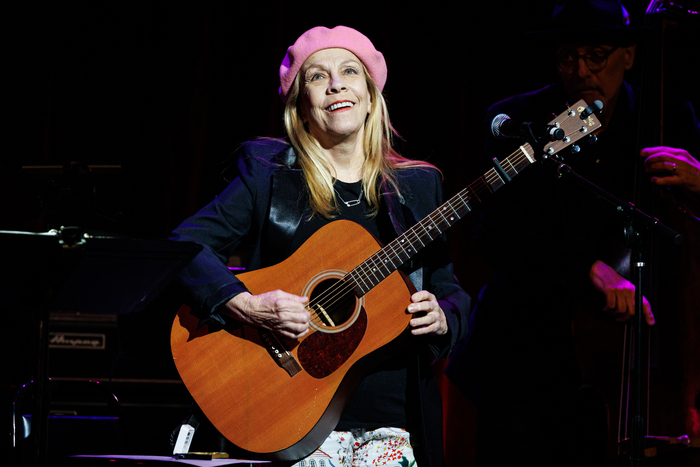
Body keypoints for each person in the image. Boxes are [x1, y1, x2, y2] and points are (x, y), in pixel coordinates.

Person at [169, 25, 470, 467]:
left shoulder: (417, 187)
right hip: (287, 415)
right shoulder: (267, 173)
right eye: (317, 76)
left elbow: (451, 288)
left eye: (350, 71)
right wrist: (247, 306)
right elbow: (186, 245)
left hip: (393, 422)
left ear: (370, 97)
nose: (336, 85)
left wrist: (445, 316)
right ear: (301, 106)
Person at [446, 0, 700, 465]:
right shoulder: (540, 121)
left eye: (596, 55)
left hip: (633, 354)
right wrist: (588, 268)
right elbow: (498, 233)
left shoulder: (667, 116)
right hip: (527, 355)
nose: (580, 71)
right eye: (568, 58)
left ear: (628, 54)